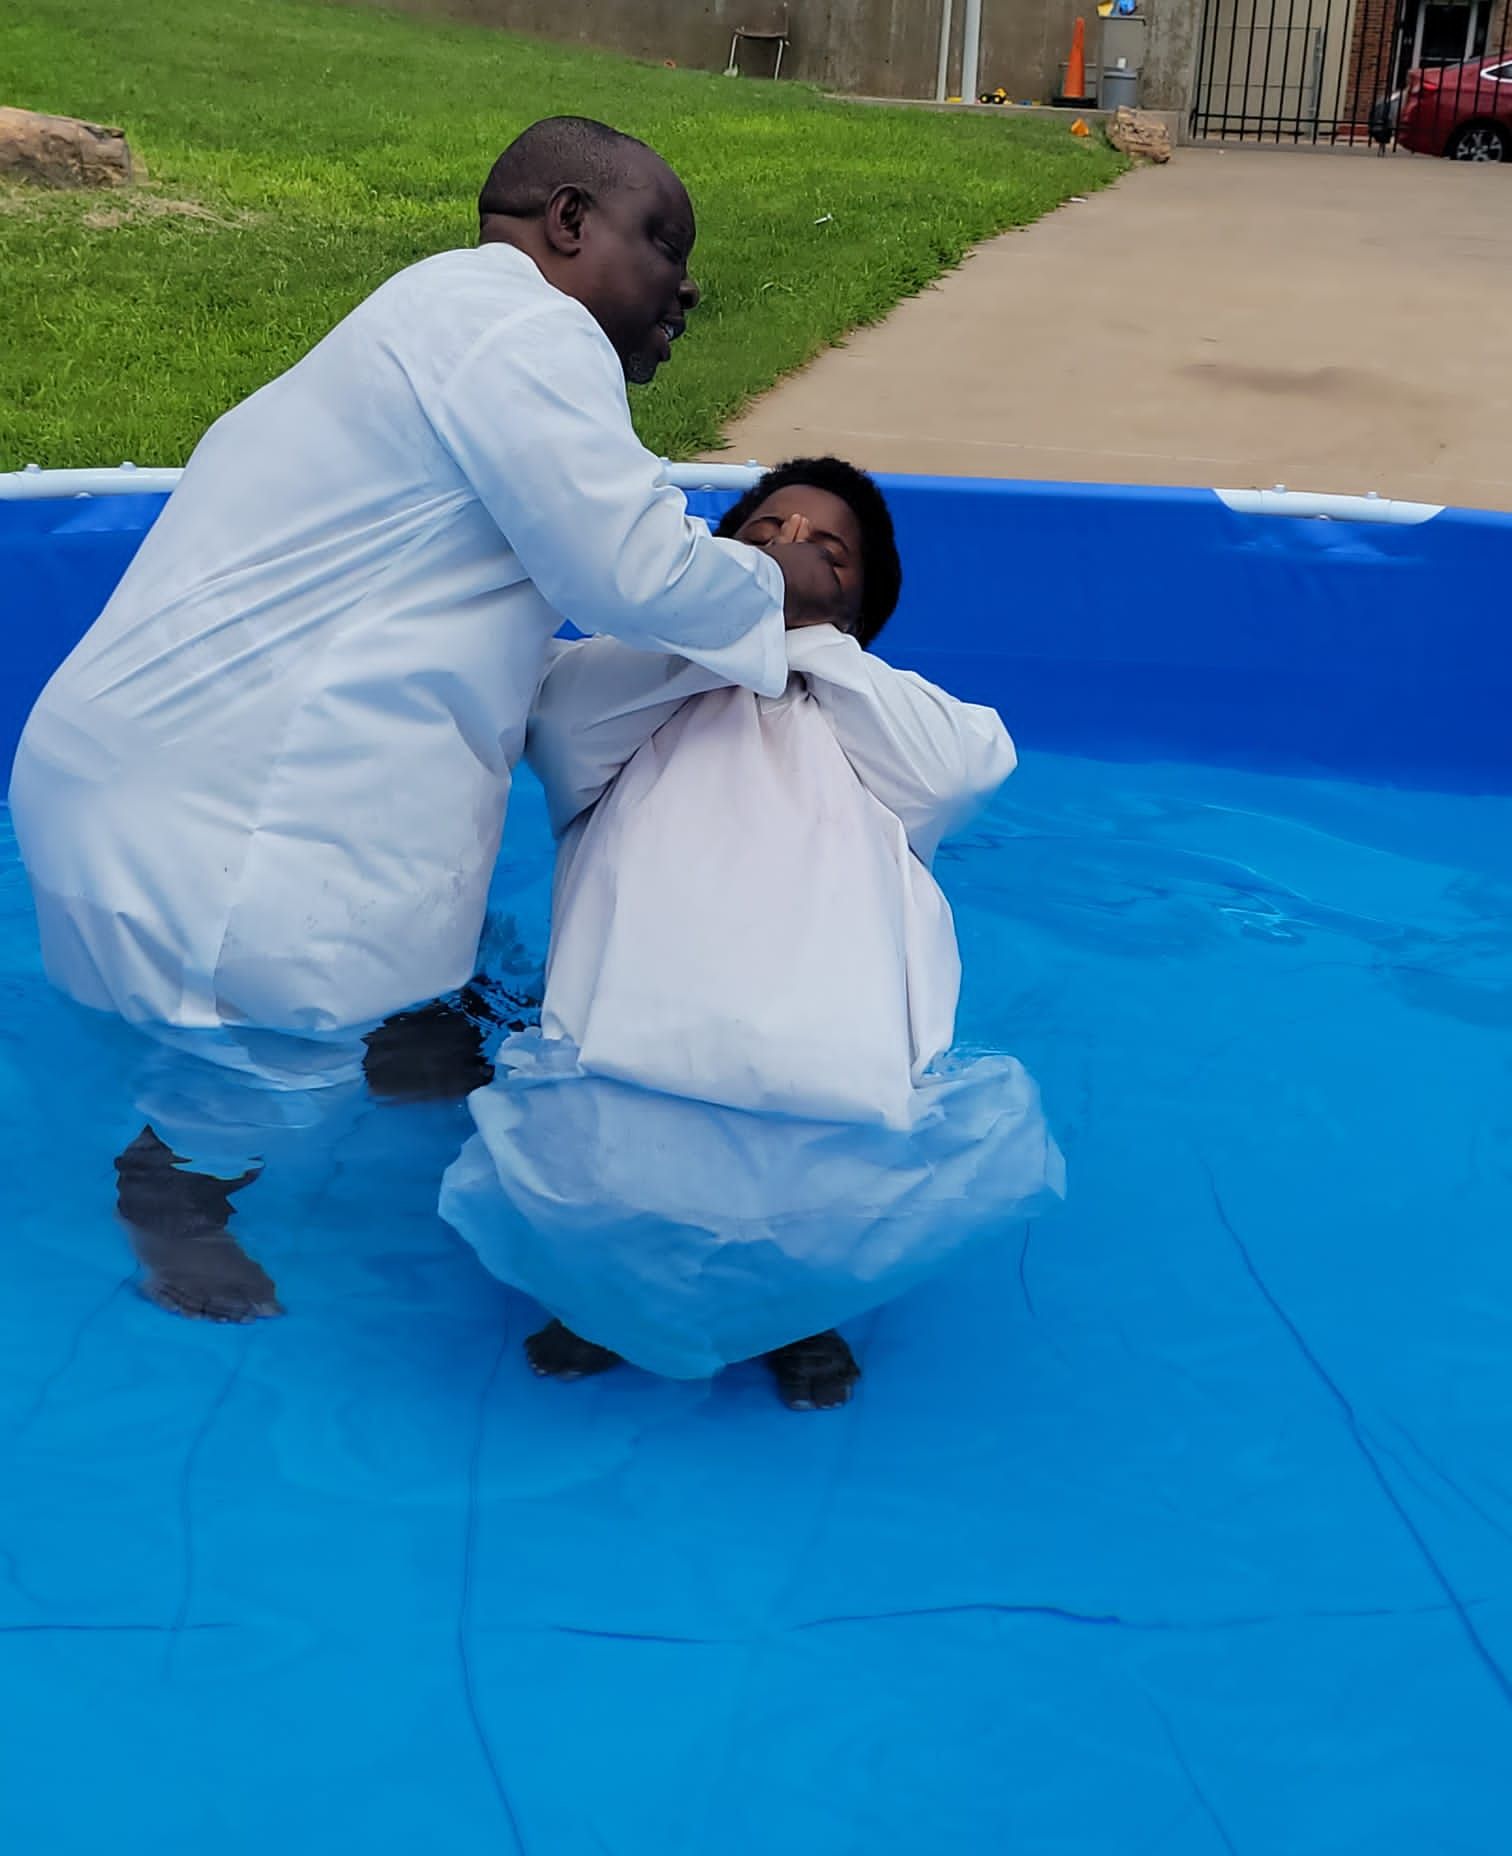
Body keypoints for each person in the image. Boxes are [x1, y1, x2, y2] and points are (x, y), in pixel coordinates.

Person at [7, 118, 844, 1324]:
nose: (687, 285)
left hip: (136, 787)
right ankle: (173, 1188)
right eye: (663, 242)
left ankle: (386, 1054)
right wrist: (786, 591)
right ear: (566, 223)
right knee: (274, 1055)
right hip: (221, 829)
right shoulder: (522, 325)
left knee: (338, 1005)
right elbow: (630, 567)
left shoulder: (436, 325)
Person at [440, 459, 1064, 1409]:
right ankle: (600, 1299)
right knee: (606, 1165)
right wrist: (735, 622)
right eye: (767, 532)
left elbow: (962, 770)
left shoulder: (881, 719)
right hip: (638, 1016)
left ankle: (801, 1312)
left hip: (822, 1034)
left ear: (860, 603)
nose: (792, 550)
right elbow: (560, 716)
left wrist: (801, 635)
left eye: (829, 549)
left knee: (820, 1179)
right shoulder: (631, 685)